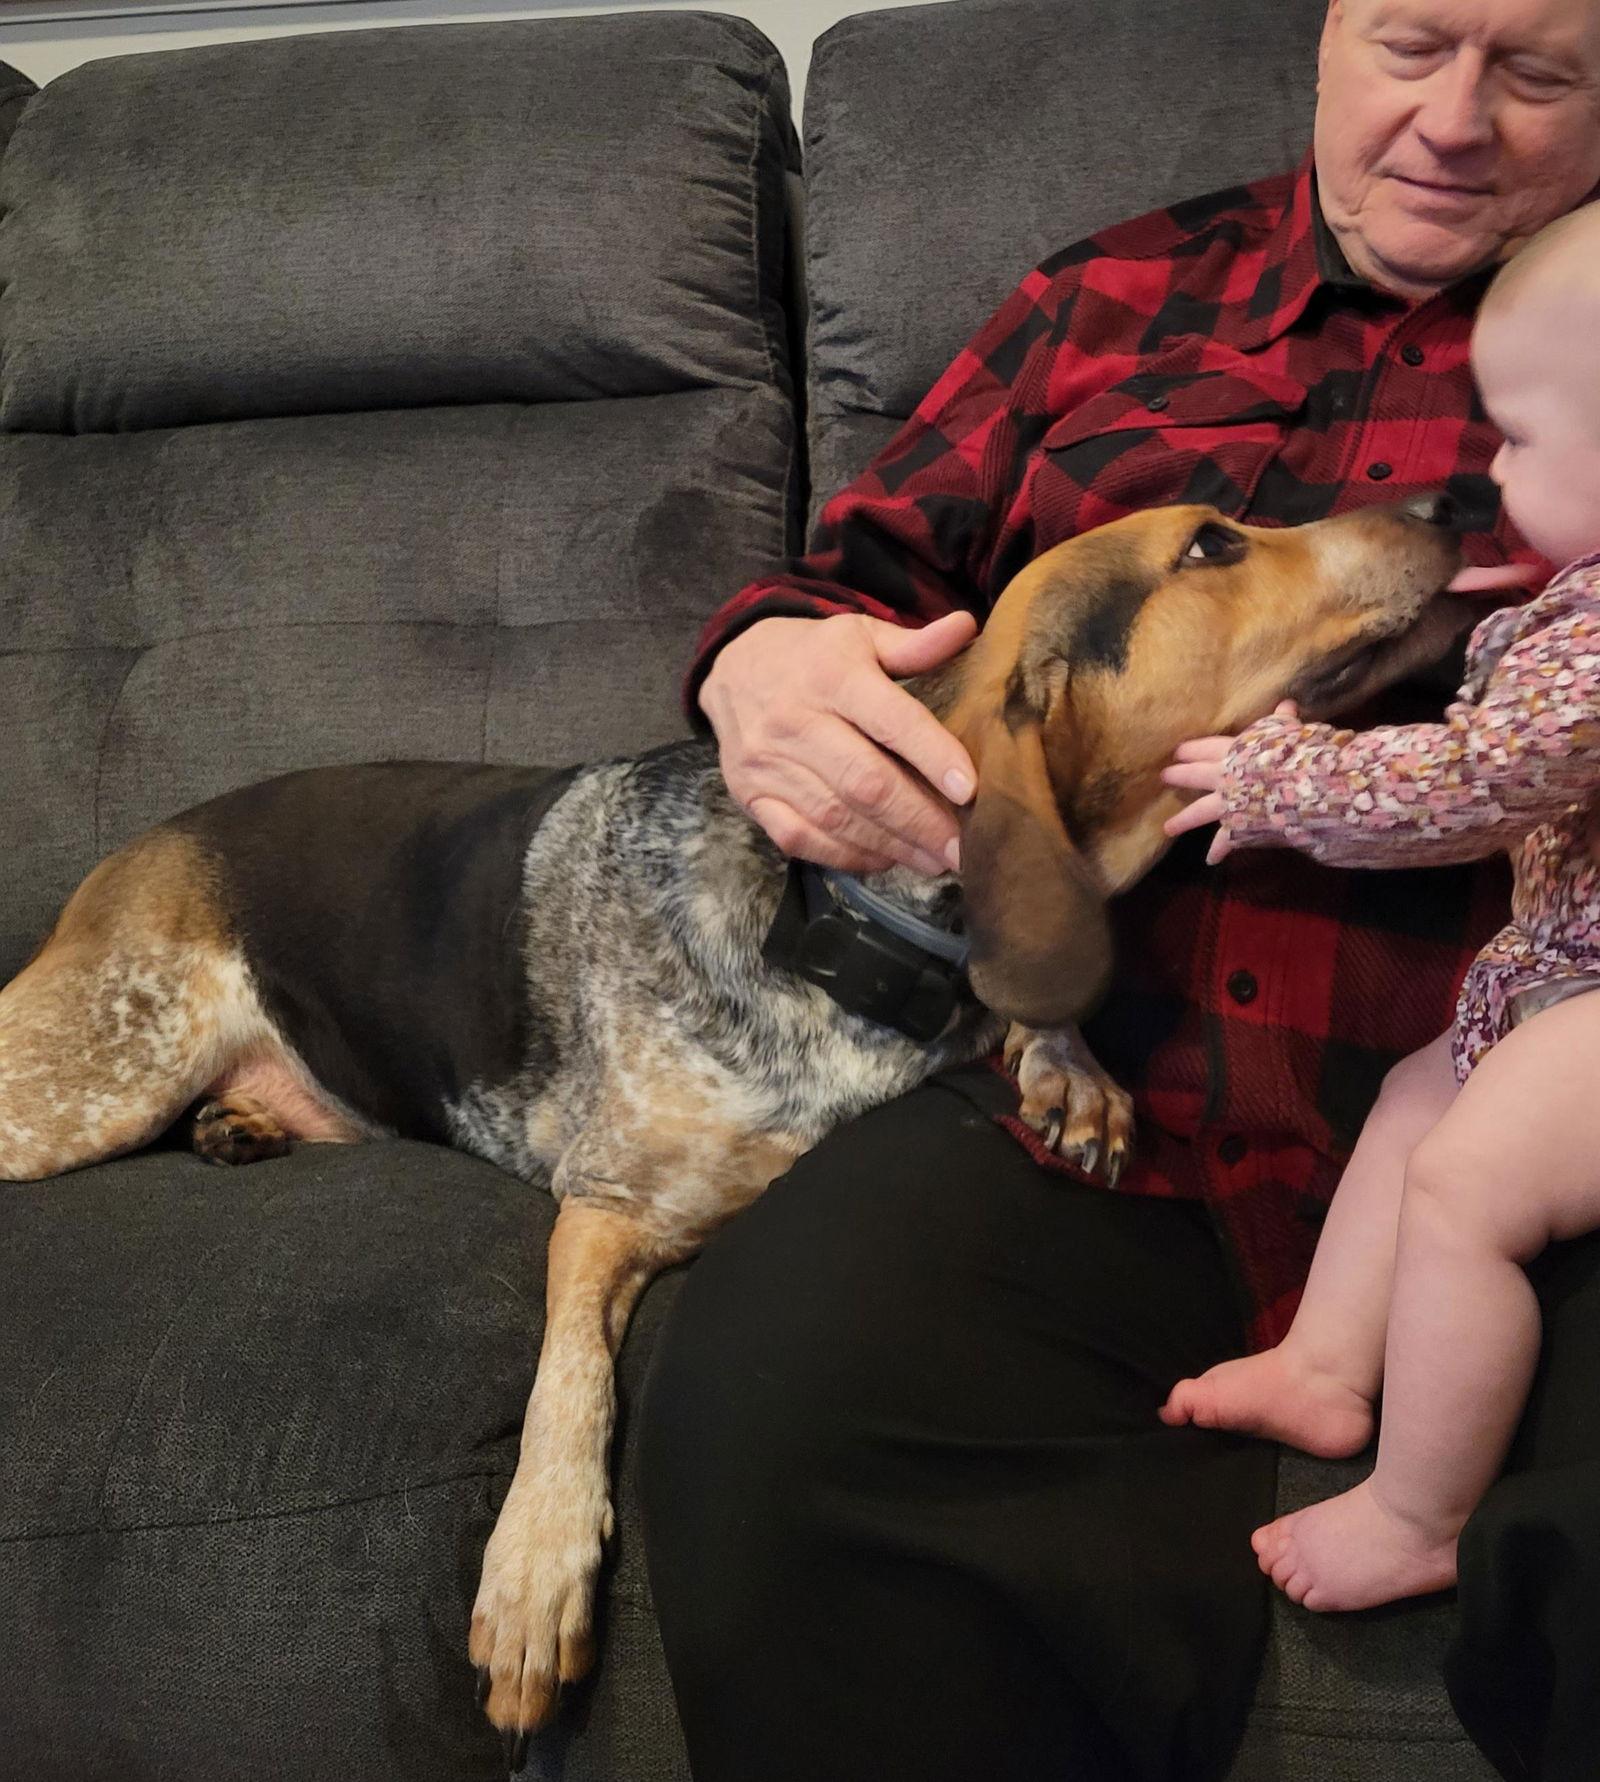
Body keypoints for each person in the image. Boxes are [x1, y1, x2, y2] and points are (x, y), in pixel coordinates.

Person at [638, 3, 1600, 1778]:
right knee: (767, 1416)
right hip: (1091, 1110)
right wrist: (760, 665)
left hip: (1530, 1133)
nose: (1454, 120)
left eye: (1535, 72)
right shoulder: (1108, 296)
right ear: (1327, 37)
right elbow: (851, 580)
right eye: (1413, 44)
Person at [1158, 200, 1600, 1615]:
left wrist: (1287, 775)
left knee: (1472, 1183)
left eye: (1522, 441)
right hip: (1556, 975)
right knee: (1421, 1094)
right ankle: (1329, 1364)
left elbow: (1475, 782)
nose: (1496, 470)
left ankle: (1419, 1510)